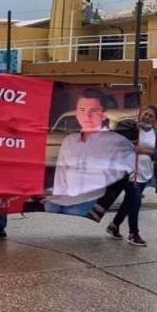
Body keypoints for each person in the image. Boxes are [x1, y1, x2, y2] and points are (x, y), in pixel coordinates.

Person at [46, 88, 135, 216]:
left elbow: (129, 172)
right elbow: (61, 175)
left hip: (90, 199)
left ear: (104, 114)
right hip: (64, 198)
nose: (87, 116)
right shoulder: (69, 141)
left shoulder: (117, 142)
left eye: (94, 111)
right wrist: (57, 196)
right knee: (50, 210)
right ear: (76, 113)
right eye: (82, 110)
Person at [106, 104, 157, 247]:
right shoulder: (131, 128)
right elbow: (116, 127)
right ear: (141, 114)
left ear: (155, 120)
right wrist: (134, 127)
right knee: (136, 202)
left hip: (146, 173)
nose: (147, 117)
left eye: (151, 116)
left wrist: (144, 151)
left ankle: (114, 225)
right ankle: (134, 234)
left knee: (129, 202)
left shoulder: (156, 133)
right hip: (130, 173)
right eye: (145, 114)